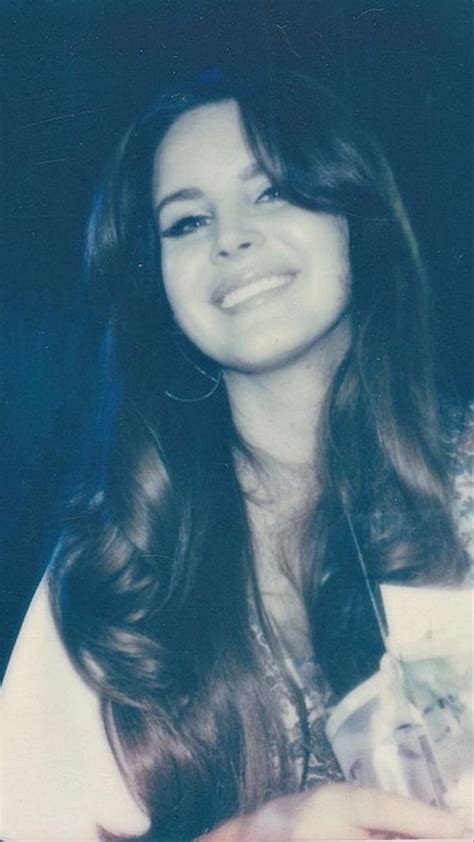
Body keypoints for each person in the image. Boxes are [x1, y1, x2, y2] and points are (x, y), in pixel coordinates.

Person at [2, 67, 473, 841]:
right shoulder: (117, 570)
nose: (231, 238)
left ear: (356, 213)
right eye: (186, 223)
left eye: (271, 190)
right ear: (155, 280)